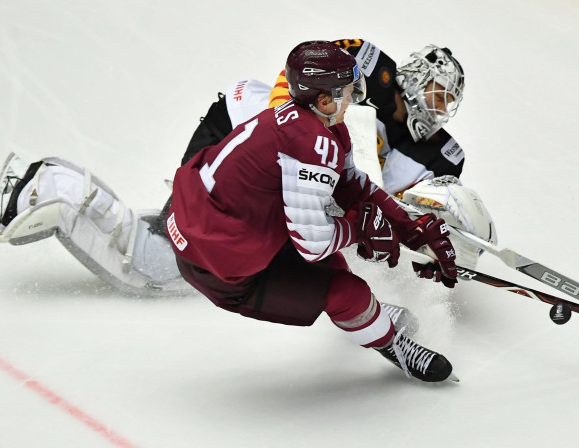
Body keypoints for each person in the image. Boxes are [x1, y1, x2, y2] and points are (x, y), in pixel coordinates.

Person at [0, 38, 494, 297]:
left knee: (192, 240)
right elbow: (294, 79)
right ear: (414, 75)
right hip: (240, 137)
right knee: (159, 268)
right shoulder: (366, 65)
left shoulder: (442, 154)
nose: (440, 106)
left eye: (449, 101)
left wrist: (431, 231)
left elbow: (403, 204)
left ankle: (157, 211)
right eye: (435, 91)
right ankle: (56, 189)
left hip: (263, 171)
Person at [166, 40, 458, 382]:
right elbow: (312, 242)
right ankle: (392, 344)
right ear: (324, 99)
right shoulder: (311, 143)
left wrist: (406, 225)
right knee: (344, 288)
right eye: (350, 91)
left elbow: (351, 182)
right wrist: (358, 229)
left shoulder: (315, 122)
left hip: (203, 220)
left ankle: (369, 318)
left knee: (334, 263)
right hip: (213, 265)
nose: (355, 99)